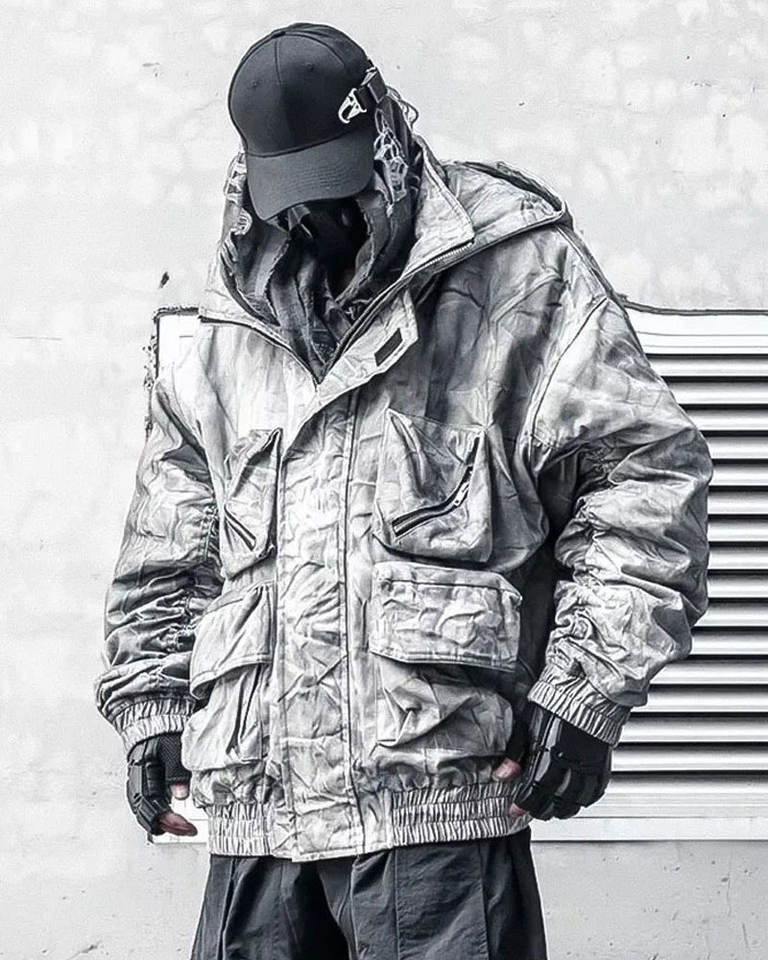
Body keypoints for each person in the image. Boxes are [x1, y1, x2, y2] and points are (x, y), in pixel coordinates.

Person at [94, 21, 713, 960]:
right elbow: (170, 545)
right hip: (259, 824)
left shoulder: (518, 274)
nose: (319, 218)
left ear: (387, 132)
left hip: (439, 818)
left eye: (339, 186)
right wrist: (152, 703)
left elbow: (644, 476)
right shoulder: (226, 320)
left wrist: (587, 687)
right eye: (292, 197)